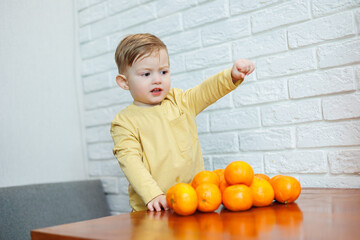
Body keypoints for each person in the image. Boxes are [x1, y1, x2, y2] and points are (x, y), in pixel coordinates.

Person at [110, 33, 255, 212]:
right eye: (146, 74)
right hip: (154, 210)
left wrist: (231, 76)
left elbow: (205, 91)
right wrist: (153, 194)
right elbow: (130, 161)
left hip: (194, 201)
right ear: (124, 82)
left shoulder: (180, 100)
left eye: (163, 71)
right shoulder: (124, 122)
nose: (157, 79)